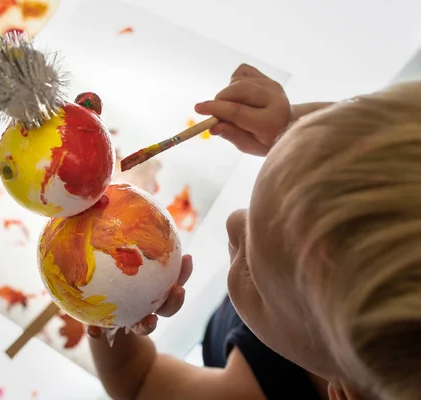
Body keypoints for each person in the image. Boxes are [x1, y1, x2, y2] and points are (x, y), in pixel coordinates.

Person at [87, 64, 421, 400]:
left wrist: (108, 307)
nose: (233, 222)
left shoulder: (257, 391)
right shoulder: (320, 324)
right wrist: (290, 125)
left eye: (253, 272)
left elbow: (139, 382)